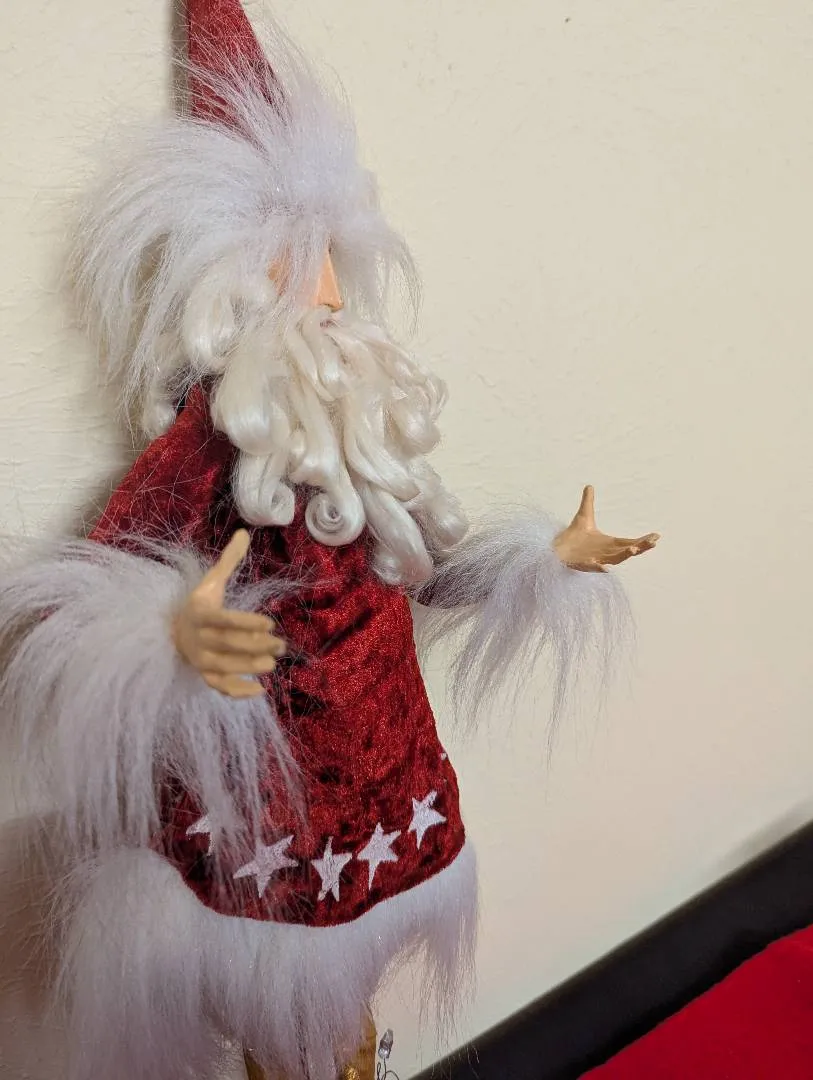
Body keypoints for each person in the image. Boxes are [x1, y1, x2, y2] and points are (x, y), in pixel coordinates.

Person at [0, 2, 658, 1078]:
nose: (323, 299)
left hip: (385, 803)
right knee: (278, 1033)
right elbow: (80, 602)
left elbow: (421, 569)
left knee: (350, 1030)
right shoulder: (200, 457)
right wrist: (168, 633)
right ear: (225, 295)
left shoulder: (366, 444)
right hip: (266, 840)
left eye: (332, 267)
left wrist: (542, 562)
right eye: (290, 268)